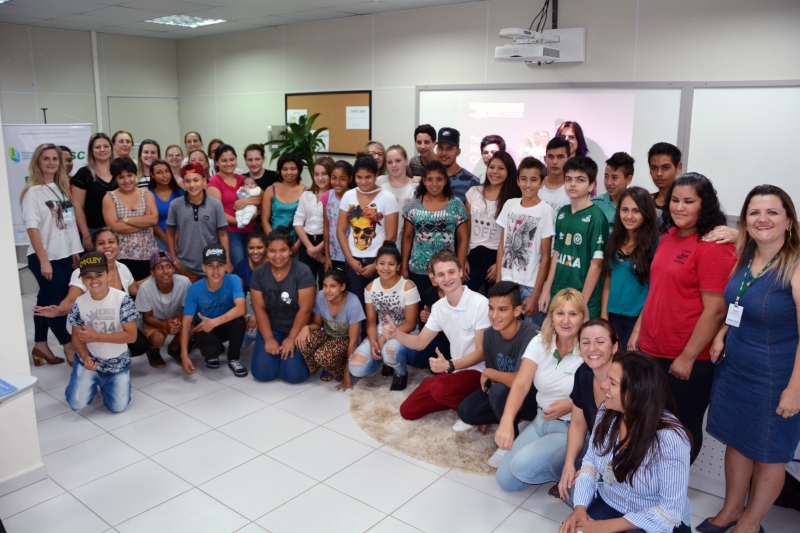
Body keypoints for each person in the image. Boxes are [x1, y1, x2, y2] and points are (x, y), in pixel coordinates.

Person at [701, 185, 800, 533]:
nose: (763, 219)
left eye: (773, 212)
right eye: (755, 212)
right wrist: (721, 334)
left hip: (775, 378)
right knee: (736, 441)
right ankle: (730, 511)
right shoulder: (746, 254)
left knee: (768, 454)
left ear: (789, 221)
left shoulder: (796, 267)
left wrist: (795, 390)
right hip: (735, 369)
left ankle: (750, 523)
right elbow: (738, 303)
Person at [632, 173, 736, 462]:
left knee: (682, 427)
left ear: (705, 205)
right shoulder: (667, 236)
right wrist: (639, 329)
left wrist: (688, 357)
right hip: (653, 350)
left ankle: (674, 491)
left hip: (686, 357)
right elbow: (657, 289)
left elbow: (715, 309)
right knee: (651, 424)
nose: (679, 207)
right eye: (675, 200)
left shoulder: (714, 245)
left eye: (689, 201)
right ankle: (650, 486)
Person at [561, 351, 693, 533]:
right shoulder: (605, 413)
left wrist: (607, 526)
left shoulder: (670, 438)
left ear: (636, 392)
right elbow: (590, 464)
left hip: (654, 518)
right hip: (610, 503)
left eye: (612, 383)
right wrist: (580, 508)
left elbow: (670, 511)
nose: (603, 385)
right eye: (607, 378)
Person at [494, 288, 588, 492]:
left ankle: (577, 468)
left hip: (571, 428)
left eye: (573, 314)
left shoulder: (589, 349)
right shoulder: (539, 342)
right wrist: (507, 421)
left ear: (583, 318)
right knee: (505, 481)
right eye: (560, 313)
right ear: (551, 316)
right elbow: (520, 384)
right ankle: (559, 465)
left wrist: (573, 404)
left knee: (521, 467)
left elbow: (603, 396)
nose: (566, 320)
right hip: (540, 421)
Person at [383, 251, 491, 424]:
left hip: (480, 371)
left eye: (451, 272)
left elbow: (481, 353)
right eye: (441, 274)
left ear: (461, 272)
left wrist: (448, 365)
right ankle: (466, 400)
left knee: (440, 388)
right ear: (434, 278)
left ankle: (476, 411)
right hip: (455, 370)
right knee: (408, 410)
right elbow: (419, 342)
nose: (447, 278)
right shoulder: (439, 307)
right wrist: (397, 334)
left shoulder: (481, 304)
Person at [33, 228, 149, 364]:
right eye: (101, 243)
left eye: (111, 242)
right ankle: (92, 356)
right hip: (92, 326)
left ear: (118, 245)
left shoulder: (122, 268)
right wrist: (59, 310)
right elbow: (71, 300)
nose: (107, 246)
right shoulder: (81, 272)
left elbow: (134, 289)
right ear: (94, 247)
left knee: (140, 344)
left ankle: (112, 357)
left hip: (114, 326)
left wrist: (157, 275)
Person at [457, 282, 538, 468]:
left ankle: (510, 440)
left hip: (530, 397)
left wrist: (489, 372)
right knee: (466, 411)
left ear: (517, 311)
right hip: (502, 391)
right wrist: (493, 410)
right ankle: (512, 419)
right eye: (491, 308)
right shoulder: (489, 334)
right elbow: (492, 381)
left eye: (502, 309)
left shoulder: (531, 335)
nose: (494, 315)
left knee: (499, 390)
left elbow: (521, 380)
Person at [21, 144, 82, 366]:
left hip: (65, 256)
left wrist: (74, 250)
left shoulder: (60, 187)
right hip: (46, 259)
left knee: (45, 301)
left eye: (55, 159)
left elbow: (68, 224)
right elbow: (32, 229)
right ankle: (68, 347)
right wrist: (44, 260)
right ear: (37, 161)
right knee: (55, 305)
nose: (51, 162)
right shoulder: (32, 192)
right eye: (46, 158)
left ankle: (40, 345)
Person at [65, 252, 139, 413]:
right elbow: (76, 336)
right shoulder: (79, 303)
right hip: (90, 359)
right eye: (88, 277)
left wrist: (97, 337)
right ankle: (90, 380)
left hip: (117, 362)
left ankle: (112, 383)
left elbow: (132, 336)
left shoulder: (122, 299)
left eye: (99, 275)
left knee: (117, 407)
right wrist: (85, 357)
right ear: (82, 280)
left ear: (108, 274)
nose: (94, 281)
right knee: (76, 403)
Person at [555, 319, 618, 503]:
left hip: (623, 459)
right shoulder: (583, 372)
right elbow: (577, 423)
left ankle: (607, 499)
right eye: (585, 342)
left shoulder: (627, 381)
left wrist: (591, 469)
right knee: (558, 463)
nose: (592, 349)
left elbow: (629, 446)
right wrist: (568, 466)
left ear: (615, 347)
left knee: (576, 497)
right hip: (596, 445)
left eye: (600, 342)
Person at [540, 156, 609, 319]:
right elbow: (557, 253)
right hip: (558, 294)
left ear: (591, 185)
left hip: (583, 298)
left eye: (580, 180)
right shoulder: (563, 213)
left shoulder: (597, 218)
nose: (572, 184)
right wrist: (546, 289)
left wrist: (582, 303)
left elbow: (597, 265)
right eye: (568, 179)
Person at [349, 242, 421, 391]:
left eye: (391, 264)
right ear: (375, 265)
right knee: (355, 367)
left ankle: (401, 372)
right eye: (381, 263)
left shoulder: (408, 286)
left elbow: (411, 323)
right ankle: (386, 362)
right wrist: (374, 340)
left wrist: (384, 337)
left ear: (399, 266)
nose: (386, 268)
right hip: (380, 331)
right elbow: (370, 322)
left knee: (390, 351)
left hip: (403, 332)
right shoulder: (370, 288)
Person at [250, 227, 316, 384]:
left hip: (297, 328)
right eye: (272, 251)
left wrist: (291, 338)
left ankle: (300, 357)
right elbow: (259, 309)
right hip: (272, 327)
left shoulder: (303, 272)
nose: (278, 256)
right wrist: (269, 339)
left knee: (293, 376)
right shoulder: (259, 273)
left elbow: (305, 310)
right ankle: (278, 354)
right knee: (262, 374)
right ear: (267, 251)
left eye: (283, 250)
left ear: (291, 250)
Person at [496, 157, 555, 325]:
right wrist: (499, 281)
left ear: (542, 182)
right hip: (507, 280)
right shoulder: (509, 205)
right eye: (524, 179)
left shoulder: (545, 211)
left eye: (534, 179)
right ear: (517, 181)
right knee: (506, 329)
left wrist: (536, 295)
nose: (528, 184)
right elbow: (502, 246)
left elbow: (546, 257)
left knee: (531, 334)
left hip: (530, 285)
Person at [337, 154, 399, 312]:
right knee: (355, 304)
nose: (363, 182)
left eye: (368, 177)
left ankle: (378, 336)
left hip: (378, 261)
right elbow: (341, 230)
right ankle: (358, 336)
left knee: (378, 305)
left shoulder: (388, 198)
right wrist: (350, 260)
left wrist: (376, 264)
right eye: (359, 177)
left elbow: (391, 236)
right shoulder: (348, 196)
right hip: (353, 261)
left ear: (376, 175)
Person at [600, 187, 660, 350]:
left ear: (646, 213)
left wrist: (638, 328)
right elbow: (608, 280)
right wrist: (604, 317)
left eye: (636, 211)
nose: (629, 216)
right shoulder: (615, 239)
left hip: (638, 319)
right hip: (612, 316)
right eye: (624, 210)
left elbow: (654, 290)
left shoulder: (656, 244)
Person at [179, 245, 248, 377]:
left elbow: (241, 308)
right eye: (210, 265)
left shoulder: (233, 279)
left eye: (220, 265)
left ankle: (234, 358)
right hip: (204, 328)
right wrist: (184, 356)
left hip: (223, 324)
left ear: (226, 266)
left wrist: (214, 322)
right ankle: (213, 350)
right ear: (203, 267)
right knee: (212, 351)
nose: (216, 270)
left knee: (239, 321)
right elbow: (186, 324)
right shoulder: (194, 289)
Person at [402, 160, 468, 296]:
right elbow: (407, 237)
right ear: (424, 181)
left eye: (439, 179)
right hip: (418, 270)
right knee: (421, 313)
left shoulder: (456, 204)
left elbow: (463, 238)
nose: (434, 184)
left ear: (445, 181)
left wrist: (459, 269)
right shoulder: (413, 204)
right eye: (430, 179)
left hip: (446, 272)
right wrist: (403, 266)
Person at [297, 267, 364, 388]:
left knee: (321, 355)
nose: (327, 290)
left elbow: (353, 342)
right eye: (325, 286)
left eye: (333, 286)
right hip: (328, 338)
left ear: (342, 287)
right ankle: (327, 364)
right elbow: (317, 325)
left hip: (346, 341)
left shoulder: (353, 303)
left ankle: (339, 366)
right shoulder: (321, 296)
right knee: (303, 341)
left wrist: (347, 374)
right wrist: (306, 328)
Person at [465, 151, 519, 294]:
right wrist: (463, 258)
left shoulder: (514, 199)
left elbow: (512, 238)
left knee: (495, 299)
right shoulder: (474, 192)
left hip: (497, 256)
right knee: (466, 297)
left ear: (509, 171)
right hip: (473, 256)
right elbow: (466, 230)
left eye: (501, 168)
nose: (495, 172)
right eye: (491, 167)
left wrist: (500, 264)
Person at [166, 162, 231, 283]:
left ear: (204, 181)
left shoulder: (216, 205)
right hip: (184, 266)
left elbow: (223, 234)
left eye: (196, 180)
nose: (192, 185)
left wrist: (226, 260)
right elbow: (169, 231)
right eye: (188, 181)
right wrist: (174, 258)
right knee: (187, 301)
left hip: (211, 266)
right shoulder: (176, 205)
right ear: (183, 183)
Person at [102, 157, 159, 281]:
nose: (127, 180)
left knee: (147, 294)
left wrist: (125, 219)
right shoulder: (109, 198)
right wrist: (144, 221)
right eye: (121, 177)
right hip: (122, 256)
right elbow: (115, 227)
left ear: (135, 174)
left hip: (148, 253)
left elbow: (154, 220)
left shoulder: (146, 194)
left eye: (130, 175)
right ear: (115, 178)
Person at [135, 251, 191, 369]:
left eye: (169, 267)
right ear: (152, 272)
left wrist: (176, 322)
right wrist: (165, 325)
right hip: (153, 320)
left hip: (176, 317)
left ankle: (174, 348)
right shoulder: (145, 288)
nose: (166, 271)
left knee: (190, 327)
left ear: (174, 269)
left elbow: (187, 309)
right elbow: (147, 317)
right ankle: (153, 351)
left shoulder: (184, 282)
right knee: (157, 338)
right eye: (160, 267)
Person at [207, 144, 253, 268]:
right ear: (216, 162)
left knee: (252, 267)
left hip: (250, 231)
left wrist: (246, 202)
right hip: (230, 233)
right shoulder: (214, 182)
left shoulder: (243, 179)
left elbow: (260, 196)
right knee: (238, 268)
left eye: (232, 159)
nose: (229, 163)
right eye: (224, 160)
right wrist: (238, 222)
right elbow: (217, 212)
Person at [71, 132, 115, 249]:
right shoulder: (83, 174)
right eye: (97, 147)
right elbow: (78, 207)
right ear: (91, 151)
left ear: (111, 148)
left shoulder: (119, 171)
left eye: (106, 146)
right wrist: (86, 235)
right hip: (93, 232)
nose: (102, 150)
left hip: (119, 231)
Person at [294, 156, 331, 288]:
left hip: (326, 243)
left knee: (325, 282)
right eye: (316, 174)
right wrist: (310, 248)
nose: (320, 178)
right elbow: (298, 222)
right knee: (306, 284)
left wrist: (318, 249)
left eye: (324, 174)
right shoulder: (307, 195)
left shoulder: (334, 196)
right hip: (307, 242)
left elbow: (335, 226)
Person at [261, 152, 307, 250]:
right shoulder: (271, 190)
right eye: (284, 169)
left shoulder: (307, 191)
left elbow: (308, 224)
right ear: (280, 170)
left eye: (293, 169)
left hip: (299, 243)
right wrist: (273, 242)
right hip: (273, 241)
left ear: (299, 170)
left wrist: (297, 246)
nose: (289, 172)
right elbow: (265, 220)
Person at [377, 145, 417, 248]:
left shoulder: (415, 187)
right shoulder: (379, 182)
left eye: (398, 160)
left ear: (406, 161)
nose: (394, 165)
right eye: (389, 162)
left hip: (406, 246)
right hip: (380, 246)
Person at [235, 232, 268, 350]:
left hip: (274, 305)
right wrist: (242, 314)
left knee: (258, 329)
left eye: (259, 247)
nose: (255, 251)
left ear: (266, 248)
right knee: (241, 343)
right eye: (251, 248)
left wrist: (257, 315)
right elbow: (239, 294)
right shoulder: (243, 265)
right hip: (254, 303)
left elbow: (276, 296)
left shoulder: (273, 264)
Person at [322, 160, 353, 271]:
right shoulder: (327, 196)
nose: (337, 182)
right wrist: (327, 256)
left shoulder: (354, 197)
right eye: (334, 178)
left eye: (342, 179)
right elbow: (326, 226)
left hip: (352, 254)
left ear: (350, 179)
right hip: (333, 254)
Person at [592, 152, 634, 233]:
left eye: (614, 178)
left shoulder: (637, 206)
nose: (609, 182)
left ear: (628, 179)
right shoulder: (594, 204)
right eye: (606, 177)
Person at [435, 127, 479, 203]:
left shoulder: (471, 181)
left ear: (458, 152)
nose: (444, 153)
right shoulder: (430, 178)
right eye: (441, 148)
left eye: (449, 149)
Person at [148, 159, 183, 251]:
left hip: (181, 239)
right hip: (158, 240)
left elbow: (184, 220)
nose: (165, 175)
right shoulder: (148, 194)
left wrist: (174, 241)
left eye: (167, 171)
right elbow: (151, 223)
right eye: (159, 172)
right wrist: (169, 241)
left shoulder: (180, 193)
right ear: (152, 175)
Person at [648, 142, 683, 220]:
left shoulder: (685, 204)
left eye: (665, 168)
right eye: (654, 168)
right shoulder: (645, 203)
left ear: (678, 167)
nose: (659, 173)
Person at [538, 137, 572, 217]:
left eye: (560, 157)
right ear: (545, 159)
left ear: (569, 159)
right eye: (550, 157)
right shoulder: (536, 186)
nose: (554, 162)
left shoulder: (573, 189)